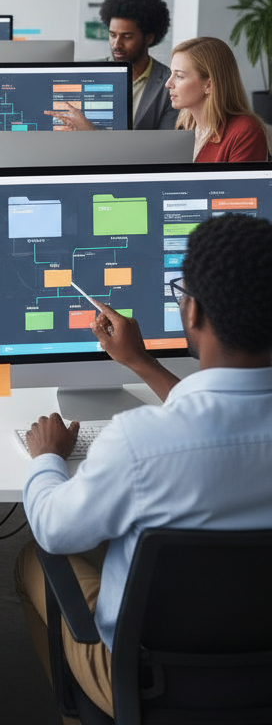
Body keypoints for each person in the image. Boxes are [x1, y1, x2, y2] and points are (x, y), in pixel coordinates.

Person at [14, 213, 272, 718]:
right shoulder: (156, 443)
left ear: (192, 311)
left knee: (31, 558)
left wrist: (46, 458)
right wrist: (143, 364)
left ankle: (86, 708)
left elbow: (53, 529)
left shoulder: (140, 444)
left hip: (147, 681)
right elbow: (223, 417)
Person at [46, 0, 176, 131]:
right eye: (113, 35)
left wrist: (92, 133)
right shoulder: (86, 73)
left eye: (127, 37)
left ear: (149, 38)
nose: (117, 44)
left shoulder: (168, 84)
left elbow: (165, 146)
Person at [166, 35, 270, 162]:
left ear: (209, 85)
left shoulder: (244, 131)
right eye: (171, 74)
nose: (168, 84)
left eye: (179, 76)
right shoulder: (185, 127)